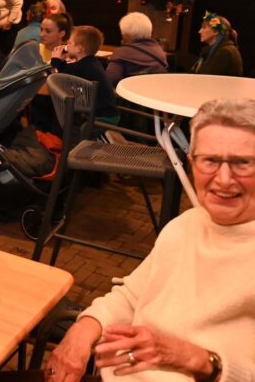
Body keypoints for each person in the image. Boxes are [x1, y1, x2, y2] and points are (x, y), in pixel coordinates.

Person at [46, 98, 255, 382]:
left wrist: (202, 361)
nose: (224, 179)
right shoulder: (186, 225)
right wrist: (83, 330)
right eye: (210, 161)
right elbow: (132, 296)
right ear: (191, 164)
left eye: (242, 163)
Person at [50, 25, 119, 123]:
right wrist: (62, 61)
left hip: (101, 118)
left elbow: (60, 78)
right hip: (108, 113)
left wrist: (55, 60)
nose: (66, 45)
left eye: (69, 43)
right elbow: (66, 71)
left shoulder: (82, 66)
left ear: (79, 49)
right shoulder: (91, 62)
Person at [105, 12, 168, 86]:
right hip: (156, 90)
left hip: (133, 91)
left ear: (125, 33)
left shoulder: (122, 52)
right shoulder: (158, 49)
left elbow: (111, 79)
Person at [192, 12, 243, 76]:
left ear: (216, 31)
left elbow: (208, 78)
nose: (199, 31)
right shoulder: (218, 50)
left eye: (204, 27)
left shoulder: (225, 52)